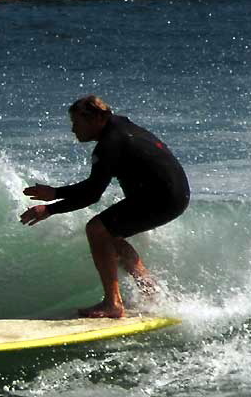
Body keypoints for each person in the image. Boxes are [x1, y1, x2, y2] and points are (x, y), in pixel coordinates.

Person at [19, 95, 190, 318]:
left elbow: (91, 194)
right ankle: (152, 293)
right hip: (177, 194)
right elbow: (93, 190)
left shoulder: (110, 143)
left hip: (162, 197)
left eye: (77, 123)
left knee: (96, 229)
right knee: (110, 237)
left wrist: (50, 206)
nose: (73, 130)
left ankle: (113, 304)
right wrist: (54, 195)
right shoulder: (121, 126)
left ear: (97, 118)